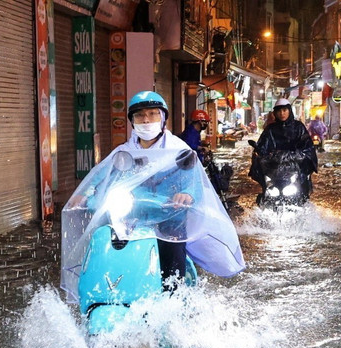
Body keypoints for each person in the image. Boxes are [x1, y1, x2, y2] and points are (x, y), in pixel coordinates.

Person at [63, 91, 244, 294]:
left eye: (152, 114)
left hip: (170, 218)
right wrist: (85, 194)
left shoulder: (180, 150)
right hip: (131, 217)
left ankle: (175, 303)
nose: (146, 120)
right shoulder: (124, 151)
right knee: (109, 251)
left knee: (172, 274)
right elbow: (101, 175)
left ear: (163, 118)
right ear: (132, 120)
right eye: (139, 115)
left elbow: (194, 182)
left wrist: (186, 194)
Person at [249, 97, 318, 198]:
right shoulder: (270, 130)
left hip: (295, 168)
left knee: (303, 191)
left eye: (284, 110)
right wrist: (260, 153)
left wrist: (297, 155)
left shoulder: (299, 127)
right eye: (279, 111)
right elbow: (263, 147)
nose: (282, 113)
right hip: (274, 169)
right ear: (275, 113)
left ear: (289, 111)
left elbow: (308, 148)